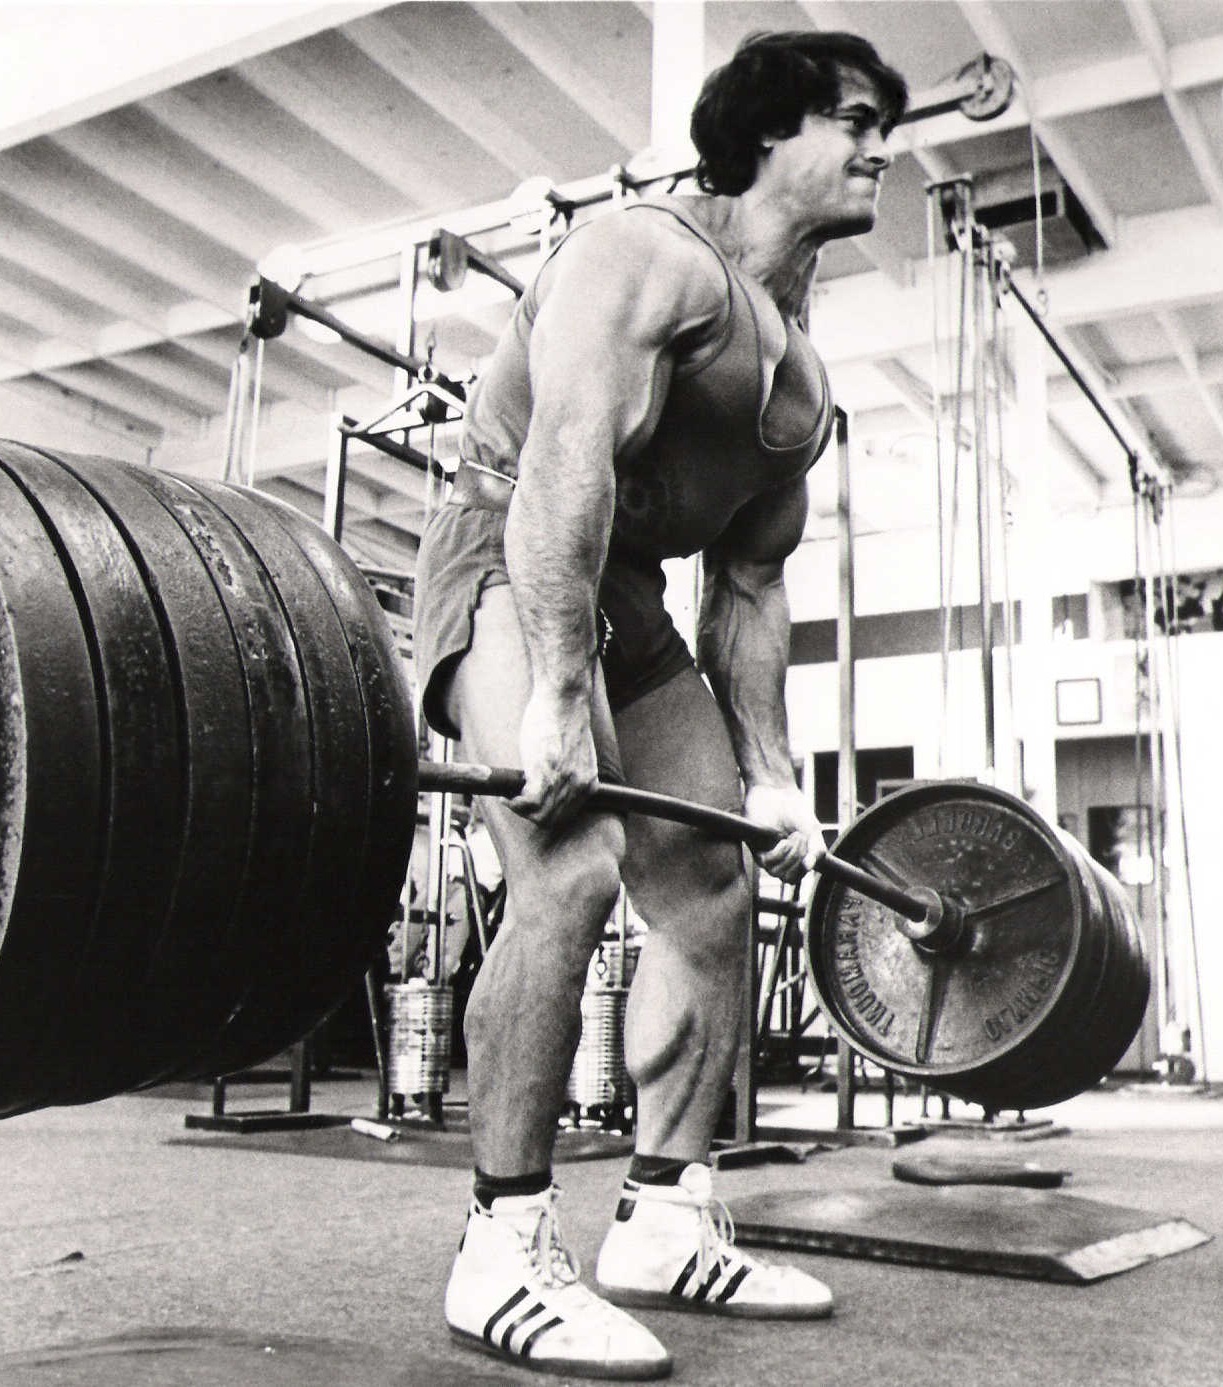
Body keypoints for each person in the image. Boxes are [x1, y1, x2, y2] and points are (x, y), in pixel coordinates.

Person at [412, 30, 907, 1379]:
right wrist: (556, 692)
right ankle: (502, 1240)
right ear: (765, 133)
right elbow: (562, 462)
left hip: (625, 598)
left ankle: (664, 1216)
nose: (879, 146)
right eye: (853, 118)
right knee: (568, 867)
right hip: (504, 551)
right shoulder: (643, 255)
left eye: (883, 125)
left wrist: (771, 774)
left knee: (710, 887)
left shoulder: (802, 380)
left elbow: (747, 586)